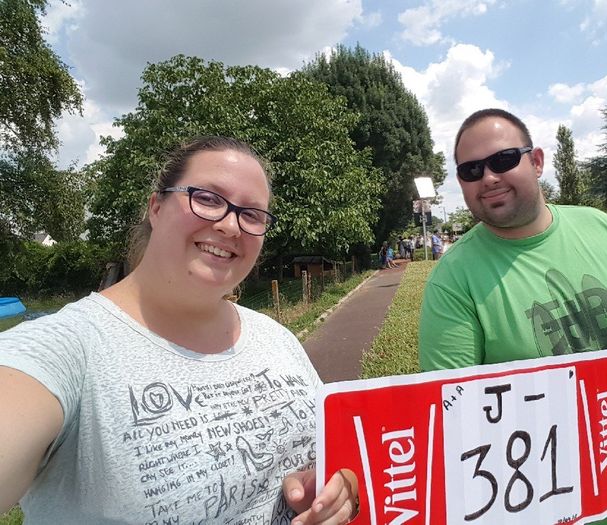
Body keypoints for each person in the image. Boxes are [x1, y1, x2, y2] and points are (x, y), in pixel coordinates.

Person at [0, 137, 357, 524]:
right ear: (156, 206)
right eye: (207, 198)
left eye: (252, 214)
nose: (230, 224)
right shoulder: (66, 349)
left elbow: (338, 460)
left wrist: (340, 489)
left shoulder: (276, 338)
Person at [418, 109, 607, 524]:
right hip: (553, 513)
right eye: (471, 169)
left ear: (537, 161)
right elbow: (455, 416)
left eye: (503, 159)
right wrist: (593, 423)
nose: (488, 177)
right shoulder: (453, 281)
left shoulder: (604, 228)